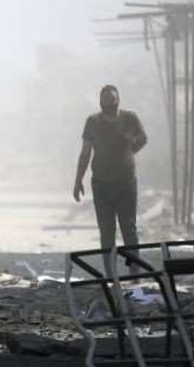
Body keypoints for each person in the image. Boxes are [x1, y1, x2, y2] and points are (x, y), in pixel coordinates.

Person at [73, 85, 147, 268]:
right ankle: (110, 274)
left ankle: (135, 273)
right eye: (106, 101)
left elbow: (143, 139)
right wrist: (78, 180)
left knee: (129, 229)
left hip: (126, 182)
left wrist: (129, 153)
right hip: (101, 184)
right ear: (100, 102)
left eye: (112, 100)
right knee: (106, 231)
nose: (110, 104)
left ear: (118, 100)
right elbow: (85, 152)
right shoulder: (93, 122)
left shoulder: (130, 118)